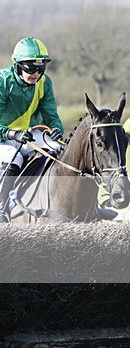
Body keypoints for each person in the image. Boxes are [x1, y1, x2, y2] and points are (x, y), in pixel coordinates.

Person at [0, 37, 65, 222]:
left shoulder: (45, 83)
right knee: (13, 155)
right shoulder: (3, 82)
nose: (36, 73)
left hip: (30, 134)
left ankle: (90, 205)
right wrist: (12, 133)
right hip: (4, 137)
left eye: (41, 68)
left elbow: (51, 113)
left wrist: (56, 129)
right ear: (18, 65)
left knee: (61, 150)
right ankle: (1, 210)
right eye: (31, 68)